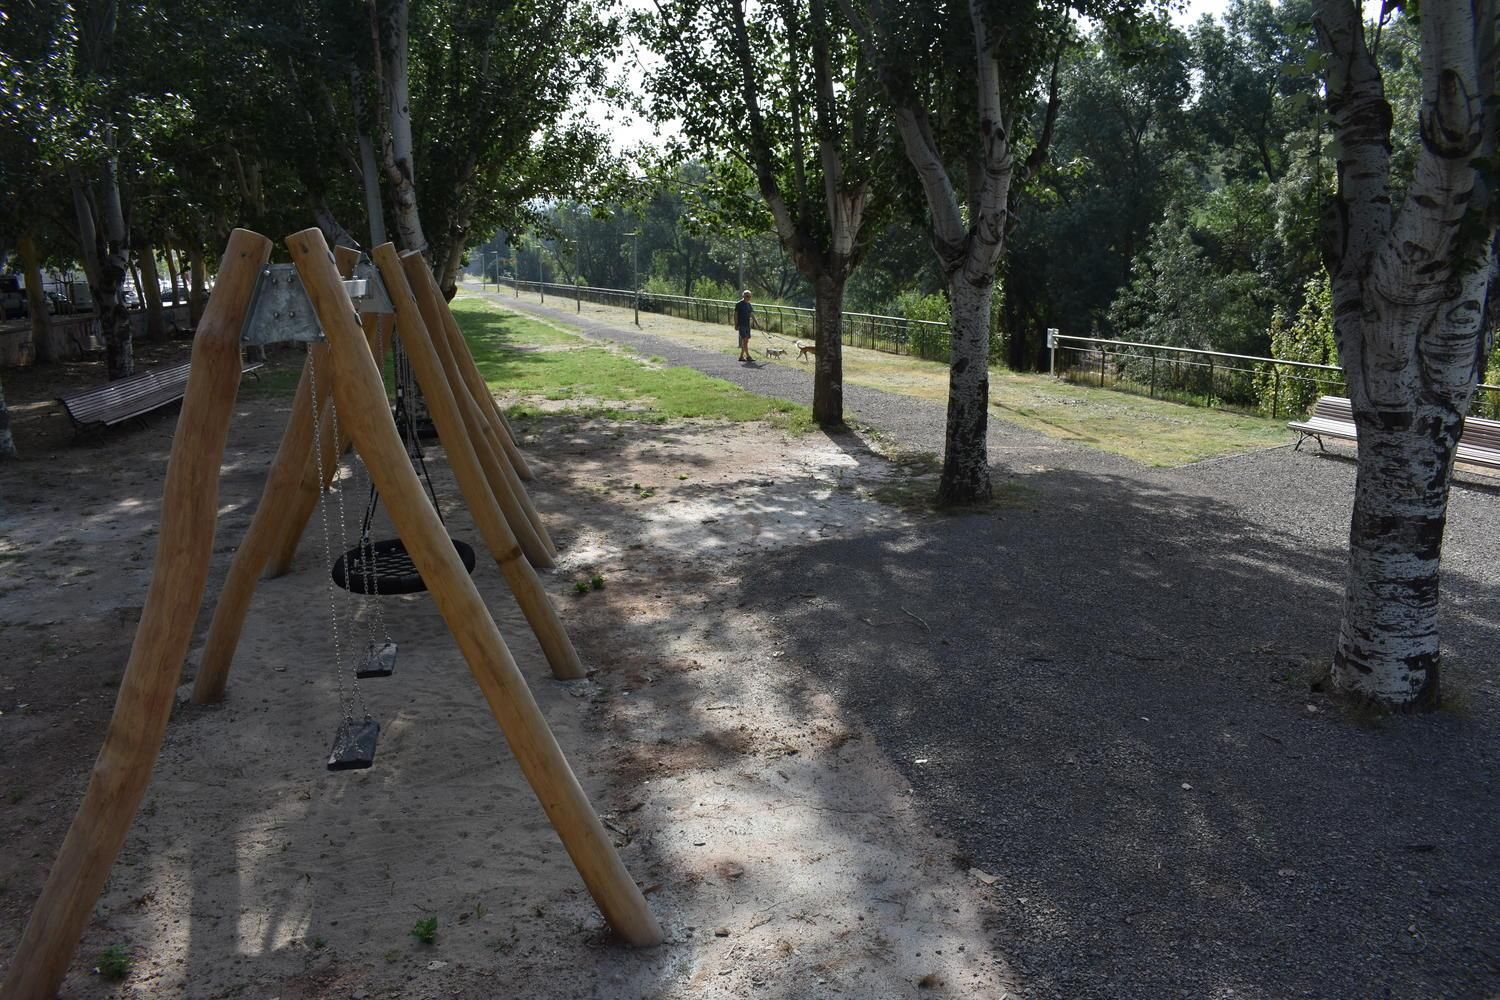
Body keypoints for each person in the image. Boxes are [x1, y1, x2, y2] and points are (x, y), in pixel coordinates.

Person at [734, 289, 756, 362]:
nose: (748, 297)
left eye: (750, 296)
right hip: (741, 325)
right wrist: (736, 324)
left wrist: (756, 323)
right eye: (747, 296)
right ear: (743, 296)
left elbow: (751, 314)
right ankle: (748, 356)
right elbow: (736, 315)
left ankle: (741, 356)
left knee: (746, 341)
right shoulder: (739, 304)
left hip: (747, 325)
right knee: (745, 339)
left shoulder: (749, 304)